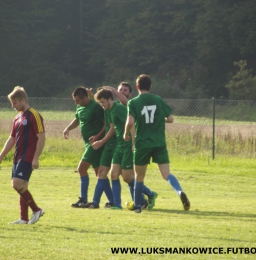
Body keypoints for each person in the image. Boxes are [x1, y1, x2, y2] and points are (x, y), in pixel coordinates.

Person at [124, 74, 190, 213]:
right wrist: (159, 120)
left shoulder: (133, 102)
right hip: (159, 143)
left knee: (139, 176)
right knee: (166, 174)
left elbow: (130, 122)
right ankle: (179, 191)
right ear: (150, 87)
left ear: (137, 87)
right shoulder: (158, 99)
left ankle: (137, 206)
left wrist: (125, 135)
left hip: (142, 144)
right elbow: (171, 119)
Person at [94, 88, 157, 210]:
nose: (101, 105)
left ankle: (150, 194)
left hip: (127, 145)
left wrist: (133, 143)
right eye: (100, 102)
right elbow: (113, 127)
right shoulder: (109, 110)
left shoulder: (118, 108)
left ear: (110, 99)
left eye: (102, 102)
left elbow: (131, 123)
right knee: (113, 175)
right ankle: (117, 205)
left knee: (127, 177)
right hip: (119, 145)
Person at [63, 87, 114, 208]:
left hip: (96, 144)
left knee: (81, 168)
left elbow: (106, 123)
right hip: (88, 143)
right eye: (75, 100)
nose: (76, 103)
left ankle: (83, 199)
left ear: (85, 98)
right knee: (99, 173)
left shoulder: (95, 107)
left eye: (78, 100)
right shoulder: (80, 106)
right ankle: (112, 201)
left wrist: (98, 137)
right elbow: (77, 119)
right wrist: (68, 128)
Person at [0, 86, 45, 224]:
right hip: (17, 156)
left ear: (23, 100)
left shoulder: (34, 115)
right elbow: (12, 138)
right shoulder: (17, 118)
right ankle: (24, 218)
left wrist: (36, 158)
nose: (13, 106)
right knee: (22, 186)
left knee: (16, 183)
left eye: (15, 103)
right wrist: (1, 155)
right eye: (12, 103)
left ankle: (37, 210)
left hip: (28, 156)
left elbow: (41, 137)